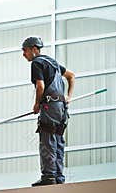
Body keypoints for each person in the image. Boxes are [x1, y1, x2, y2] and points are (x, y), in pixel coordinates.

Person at [22, 36, 75, 186]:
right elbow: (71, 76)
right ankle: (58, 176)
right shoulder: (53, 63)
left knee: (47, 140)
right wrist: (68, 97)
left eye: (25, 50)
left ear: (34, 49)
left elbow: (40, 86)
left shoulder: (37, 63)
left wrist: (37, 104)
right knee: (57, 140)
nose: (24, 54)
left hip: (49, 106)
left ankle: (49, 177)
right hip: (61, 108)